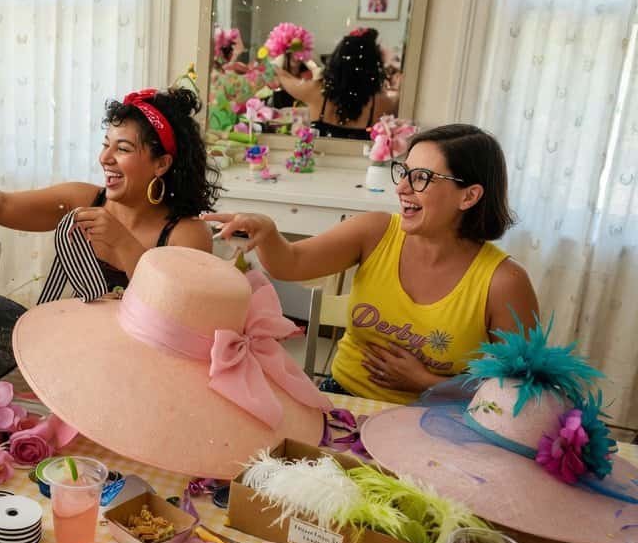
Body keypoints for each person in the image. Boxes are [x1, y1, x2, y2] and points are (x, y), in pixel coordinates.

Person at [204, 124, 539, 405]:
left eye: (421, 177)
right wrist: (268, 233)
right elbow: (291, 263)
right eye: (404, 171)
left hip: (437, 421)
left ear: (469, 196)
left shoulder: (504, 283)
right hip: (344, 399)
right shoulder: (376, 231)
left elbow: (519, 391)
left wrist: (426, 382)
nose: (402, 187)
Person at [0, 87, 221, 290]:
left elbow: (176, 315)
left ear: (161, 164)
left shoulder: (187, 235)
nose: (105, 158)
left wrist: (123, 244)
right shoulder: (85, 200)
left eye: (124, 148)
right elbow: (3, 206)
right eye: (106, 145)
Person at [275, 28, 396, 140]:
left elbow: (284, 78)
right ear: (374, 65)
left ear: (336, 61)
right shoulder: (383, 103)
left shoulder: (316, 91)